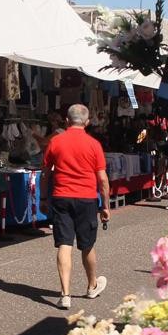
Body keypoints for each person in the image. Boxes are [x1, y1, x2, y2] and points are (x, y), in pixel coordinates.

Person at [43, 104, 110, 309]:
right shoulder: (93, 144)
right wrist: (105, 205)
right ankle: (91, 285)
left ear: (66, 121)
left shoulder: (55, 141)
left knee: (64, 244)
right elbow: (103, 179)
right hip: (86, 198)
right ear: (87, 122)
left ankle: (65, 294)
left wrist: (44, 198)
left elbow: (46, 172)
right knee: (87, 244)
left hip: (61, 196)